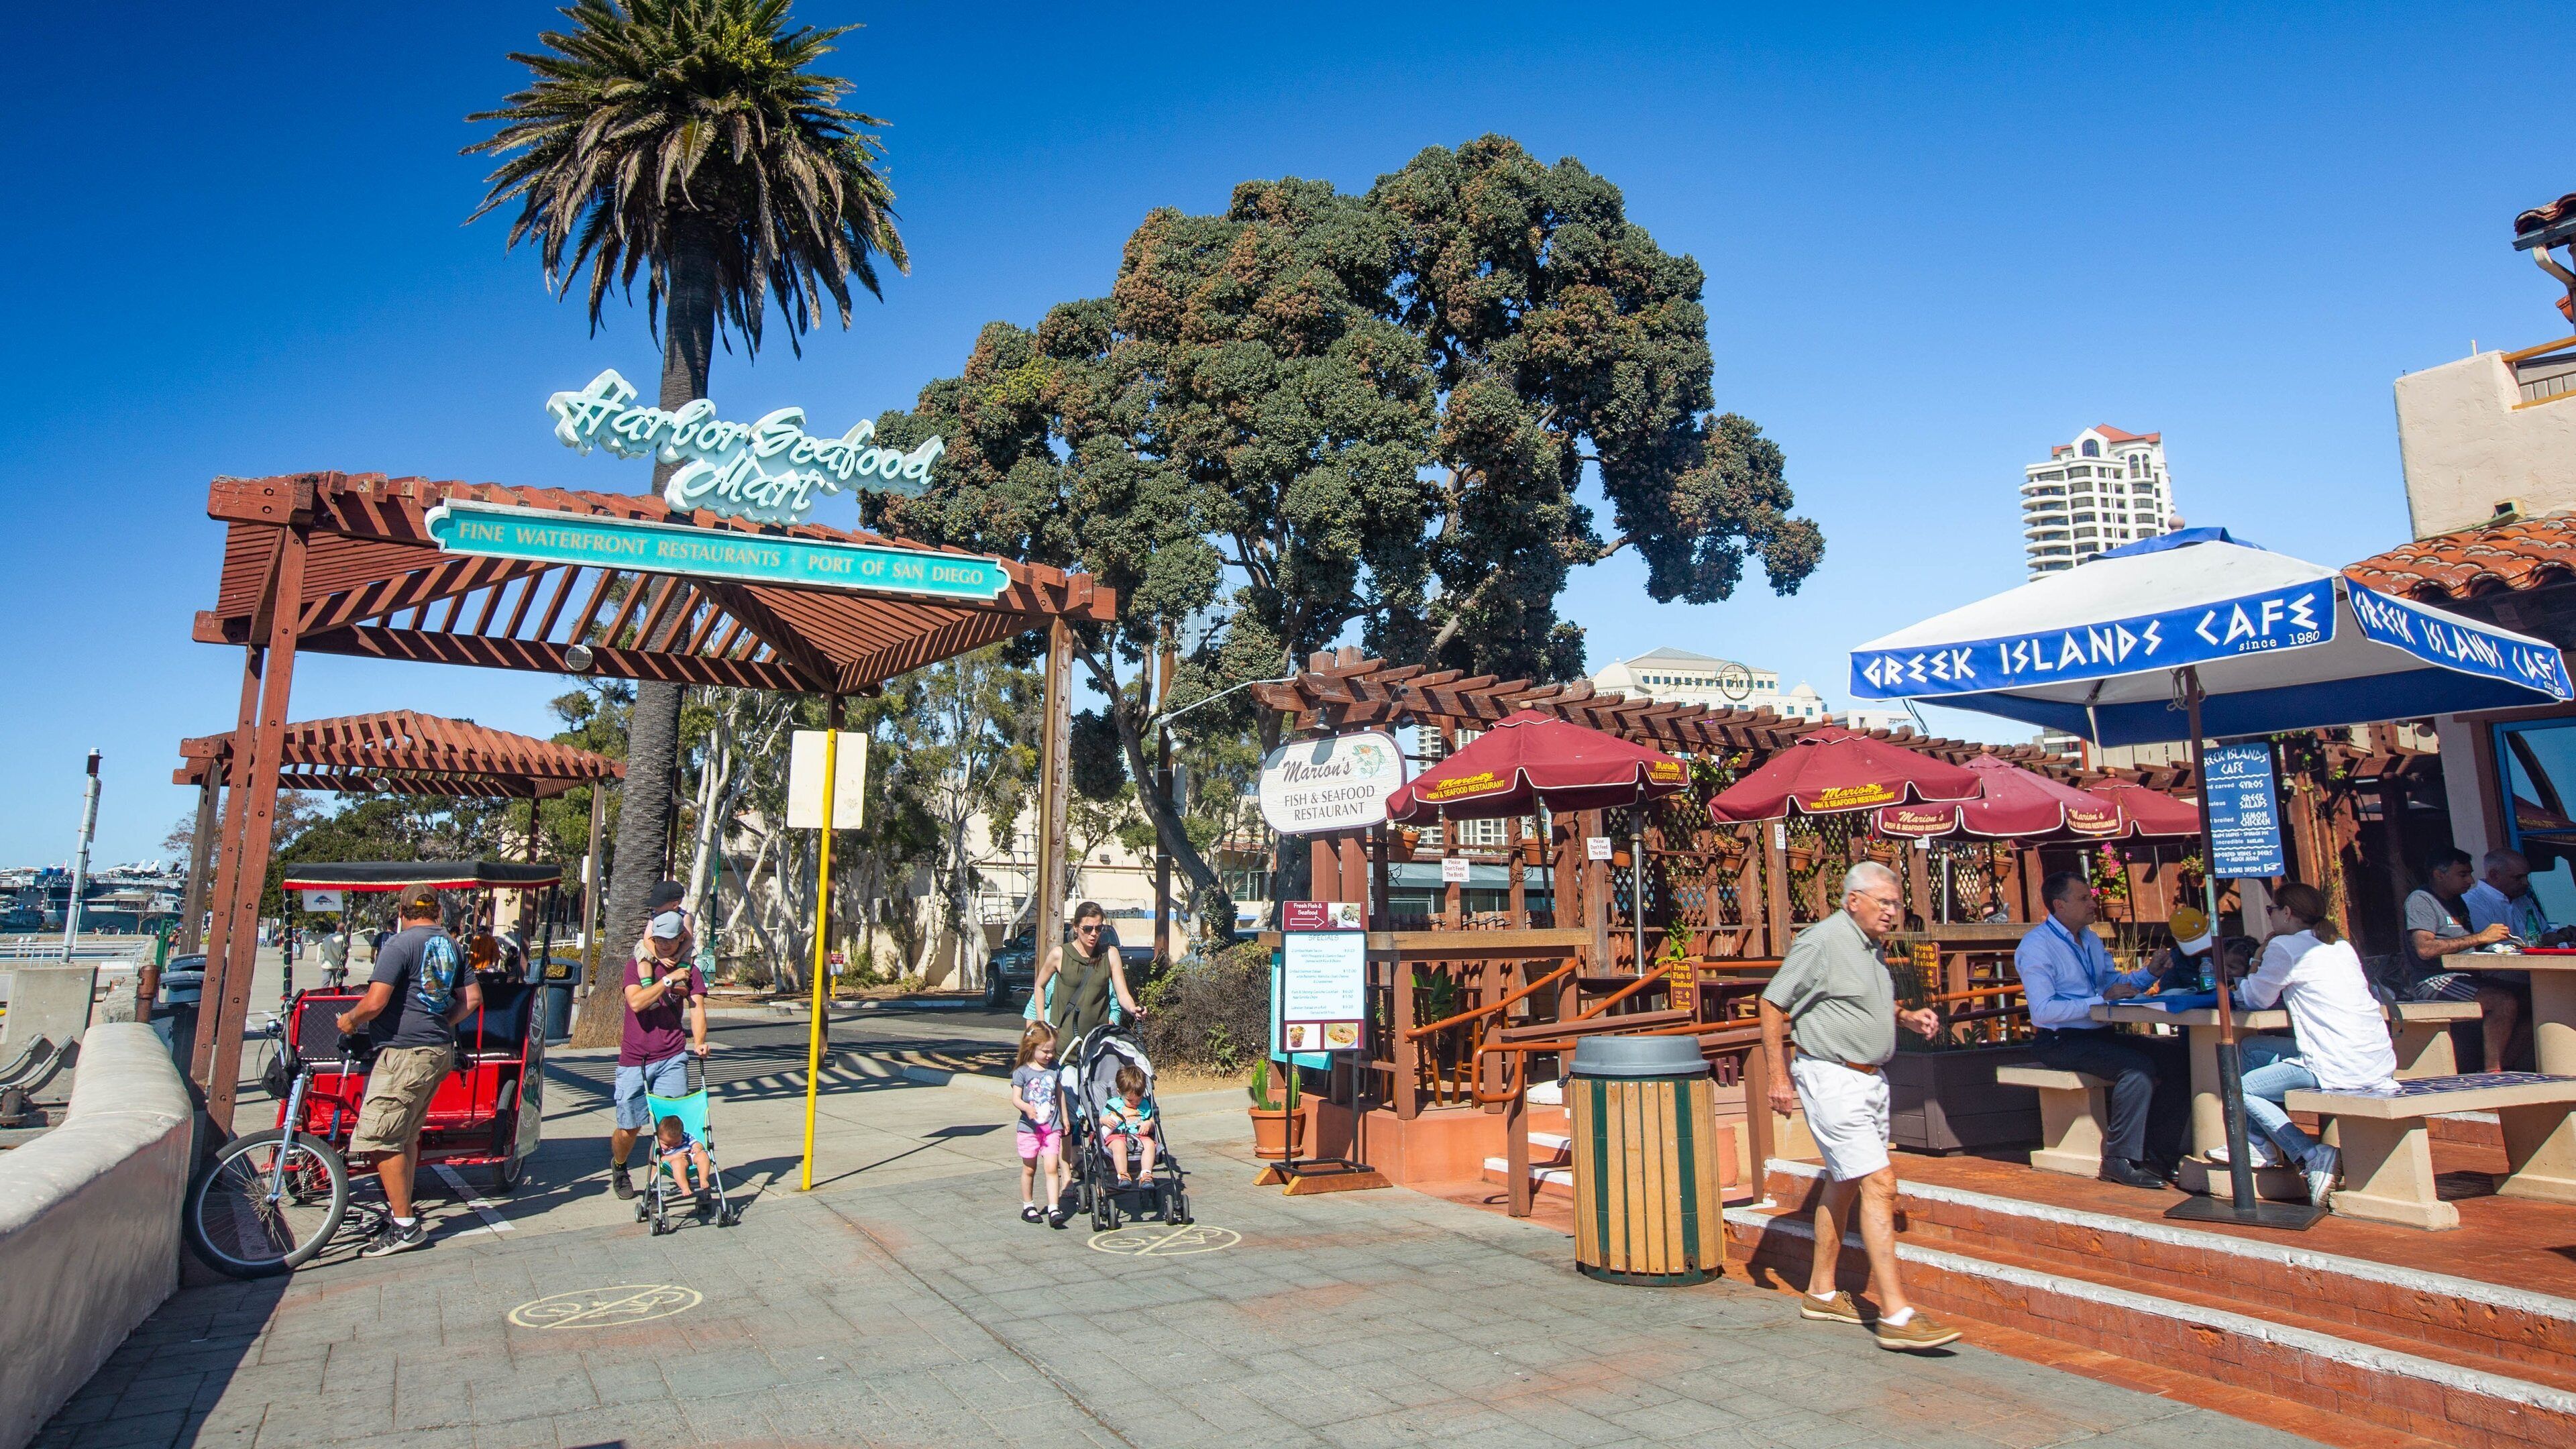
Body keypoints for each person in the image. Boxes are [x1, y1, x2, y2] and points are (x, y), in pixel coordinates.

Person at [1758, 861, 1958, 1352]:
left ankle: (1822, 1292)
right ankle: (1896, 1315)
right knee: (1880, 1183)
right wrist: (1777, 1075)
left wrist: (1906, 1017)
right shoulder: (1822, 941)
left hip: (1868, 1080)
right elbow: (1772, 1003)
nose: (1893, 912)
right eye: (1884, 902)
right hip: (1830, 1075)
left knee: (1845, 1185)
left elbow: (1860, 1002)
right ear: (1853, 901)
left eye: (1897, 903)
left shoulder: (1871, 946)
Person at [2012, 871, 2188, 1189]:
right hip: (2059, 1040)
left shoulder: (2090, 939)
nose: (2093, 904)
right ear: (2059, 905)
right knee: (2137, 1070)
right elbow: (2043, 1010)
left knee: (2179, 1058)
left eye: (2091, 897)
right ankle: (2118, 1161)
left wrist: (2150, 974)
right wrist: (2097, 1002)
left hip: (2098, 1035)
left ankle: (2157, 1156)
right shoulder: (2037, 946)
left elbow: (2112, 985)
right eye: (2084, 899)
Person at [333, 885, 480, 1256]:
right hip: (437, 1050)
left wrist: (349, 1021)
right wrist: (440, 1023)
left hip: (405, 1053)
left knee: (380, 1137)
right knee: (406, 1135)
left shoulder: (399, 945)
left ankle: (404, 1225)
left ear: (402, 911)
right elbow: (472, 1000)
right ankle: (402, 1212)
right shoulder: (451, 945)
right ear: (439, 912)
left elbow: (376, 1001)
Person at [2230, 881, 2381, 1206]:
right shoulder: (2340, 945)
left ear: (2287, 913)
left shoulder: (2284, 947)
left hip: (2334, 1059)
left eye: (2271, 910)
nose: (2269, 916)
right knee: (2252, 1049)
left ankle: (2310, 1154)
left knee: (2239, 1089)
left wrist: (2257, 959)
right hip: (2372, 1055)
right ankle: (2260, 1141)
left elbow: (2255, 999)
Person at [609, 883, 709, 1201]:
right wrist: (667, 981)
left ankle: (654, 1186)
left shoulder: (689, 967)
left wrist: (700, 1042)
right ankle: (620, 1164)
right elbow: (636, 1003)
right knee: (630, 1128)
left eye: (671, 941)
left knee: (667, 1128)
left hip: (671, 1056)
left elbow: (697, 1008)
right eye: (660, 941)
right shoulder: (637, 965)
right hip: (635, 1059)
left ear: (680, 938)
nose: (665, 946)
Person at [2402, 847, 2524, 1069]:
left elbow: (2464, 943)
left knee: (2529, 997)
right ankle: (2493, 1073)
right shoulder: (2422, 900)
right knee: (2504, 1002)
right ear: (2439, 874)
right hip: (2435, 979)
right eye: (2462, 874)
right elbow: (2425, 949)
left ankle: (2501, 1064)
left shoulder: (2457, 901)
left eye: (2470, 873)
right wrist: (2479, 937)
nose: (2470, 880)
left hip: (2467, 976)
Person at [2459, 849, 2543, 1070]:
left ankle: (2503, 1068)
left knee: (2550, 1002)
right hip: (2495, 977)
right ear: (2495, 875)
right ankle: (2494, 1070)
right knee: (2542, 1003)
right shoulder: (2472, 902)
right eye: (2518, 878)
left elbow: (2541, 935)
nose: (2525, 883)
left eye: (2527, 876)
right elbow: (2486, 948)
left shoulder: (2523, 901)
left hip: (2531, 976)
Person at [1038, 902, 1146, 1047]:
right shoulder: (1060, 954)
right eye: (1088, 929)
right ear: (1076, 927)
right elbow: (1039, 986)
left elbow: (1123, 995)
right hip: (1063, 1047)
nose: (1094, 934)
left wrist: (1133, 1009)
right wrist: (1042, 1025)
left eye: (1099, 928)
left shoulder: (1110, 954)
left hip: (1096, 1047)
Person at [1013, 1024, 1069, 1226]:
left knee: (1052, 1166)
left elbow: (1059, 1093)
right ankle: (1028, 1205)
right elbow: (1016, 1099)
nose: (1049, 1055)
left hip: (1051, 1127)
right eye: (1045, 1051)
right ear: (1032, 1047)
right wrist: (1027, 1108)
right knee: (1029, 1168)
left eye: (1052, 1051)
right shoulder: (1022, 1072)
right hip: (1029, 1129)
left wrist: (1064, 1117)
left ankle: (1054, 1207)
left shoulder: (1055, 1069)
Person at [1101, 1062, 1159, 1189]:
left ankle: (1146, 1174)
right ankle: (1123, 1174)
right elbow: (1100, 1119)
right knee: (1119, 1145)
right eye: (1130, 1100)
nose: (1135, 1103)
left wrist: (1148, 1123)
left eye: (1139, 1099)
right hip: (1117, 1135)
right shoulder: (1113, 1104)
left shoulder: (1145, 1104)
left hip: (1139, 1135)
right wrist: (1104, 1120)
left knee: (1150, 1145)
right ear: (1119, 1092)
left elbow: (1153, 1120)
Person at [653, 1113, 717, 1212]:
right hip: (674, 1162)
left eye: (676, 1143)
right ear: (659, 1137)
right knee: (678, 1163)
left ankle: (703, 1179)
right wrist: (674, 1157)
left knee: (704, 1155)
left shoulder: (685, 1136)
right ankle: (684, 1187)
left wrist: (697, 1148)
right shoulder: (660, 1145)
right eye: (667, 1144)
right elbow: (661, 1160)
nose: (672, 1146)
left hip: (690, 1157)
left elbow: (697, 1144)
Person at [319, 924, 351, 989]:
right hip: (338, 966)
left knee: (325, 985)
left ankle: (323, 997)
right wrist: (344, 965)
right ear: (344, 929)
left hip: (327, 965)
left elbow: (323, 949)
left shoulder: (328, 937)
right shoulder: (345, 939)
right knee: (337, 986)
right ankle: (336, 998)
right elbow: (346, 953)